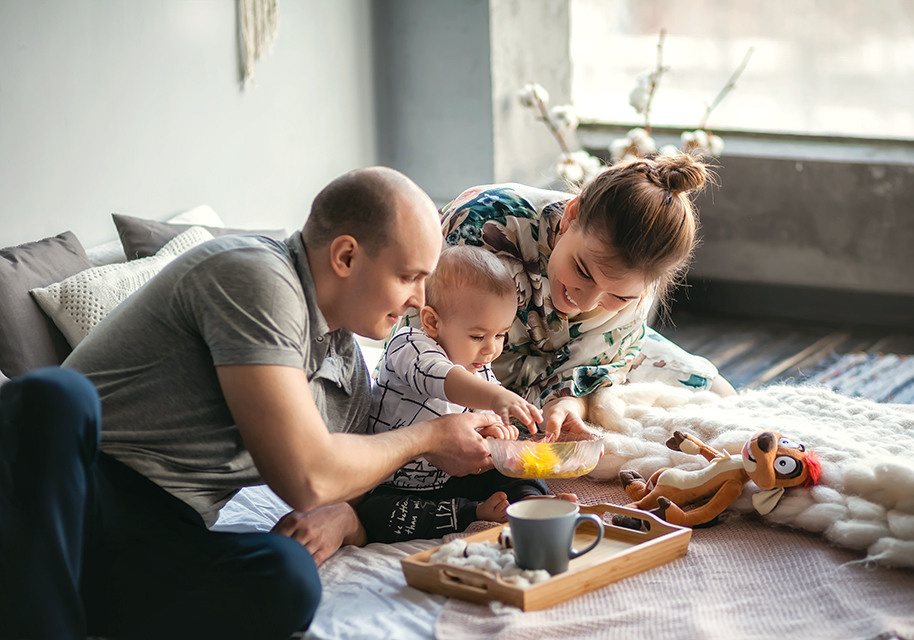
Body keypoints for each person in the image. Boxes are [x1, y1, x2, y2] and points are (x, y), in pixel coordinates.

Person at [0, 167, 501, 640]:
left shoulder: (348, 372)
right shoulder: (256, 274)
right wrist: (428, 438)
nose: (419, 299)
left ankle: (57, 593)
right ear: (346, 257)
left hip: (162, 526)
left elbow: (344, 479)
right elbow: (307, 477)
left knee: (288, 578)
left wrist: (346, 516)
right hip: (76, 477)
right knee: (55, 396)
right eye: (410, 276)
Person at [401, 153, 737, 437]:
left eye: (618, 297)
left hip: (578, 364)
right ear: (571, 216)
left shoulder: (638, 289)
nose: (587, 302)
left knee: (716, 396)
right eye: (583, 272)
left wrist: (570, 403)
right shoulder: (483, 225)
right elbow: (424, 341)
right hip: (468, 369)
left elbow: (593, 365)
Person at [360, 245, 550, 543]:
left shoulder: (480, 367)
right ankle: (471, 513)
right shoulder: (409, 344)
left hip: (452, 477)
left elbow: (484, 422)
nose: (491, 349)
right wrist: (496, 397)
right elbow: (444, 380)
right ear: (432, 322)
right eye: (478, 336)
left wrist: (499, 434)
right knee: (376, 515)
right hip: (395, 484)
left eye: (500, 335)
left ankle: (532, 504)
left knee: (516, 467)